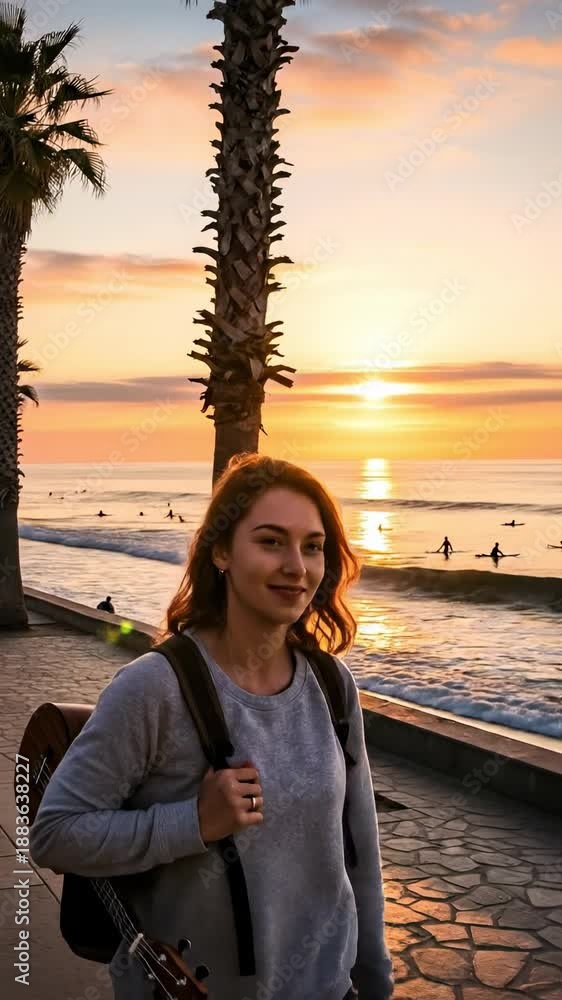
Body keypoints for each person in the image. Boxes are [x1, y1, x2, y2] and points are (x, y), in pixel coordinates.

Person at [30, 454, 394, 1000]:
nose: (296, 566)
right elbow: (55, 835)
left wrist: (375, 979)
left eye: (312, 546)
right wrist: (195, 822)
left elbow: (359, 851)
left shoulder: (332, 683)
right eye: (271, 541)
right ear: (221, 551)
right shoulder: (154, 687)